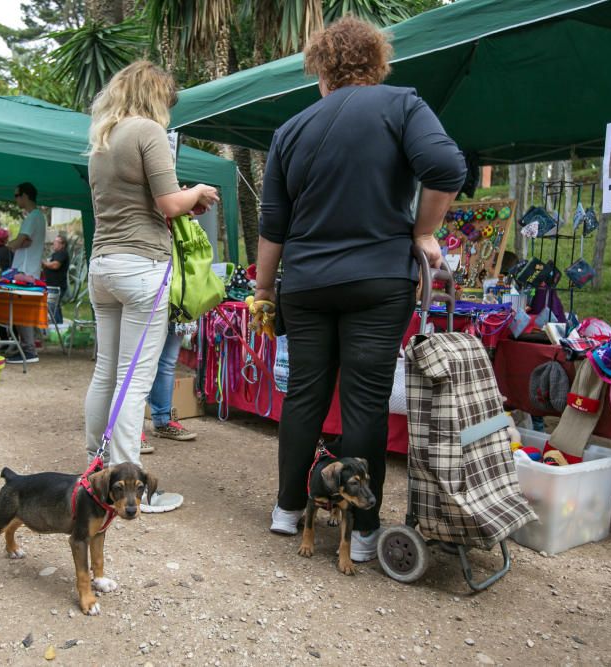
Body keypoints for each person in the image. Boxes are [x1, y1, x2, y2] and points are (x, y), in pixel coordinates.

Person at [254, 17, 466, 562]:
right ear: (376, 63)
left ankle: (285, 510)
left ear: (321, 70)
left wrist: (264, 291)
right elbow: (445, 165)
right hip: (378, 278)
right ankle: (365, 531)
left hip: (305, 282)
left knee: (304, 395)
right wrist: (423, 230)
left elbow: (273, 225)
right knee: (364, 403)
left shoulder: (290, 130)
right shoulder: (401, 104)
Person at [84, 60, 219, 513]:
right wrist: (196, 192)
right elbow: (166, 201)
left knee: (107, 371)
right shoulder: (147, 132)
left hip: (102, 265)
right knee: (132, 380)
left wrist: (180, 203)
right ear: (154, 95)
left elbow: (143, 203)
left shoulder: (103, 138)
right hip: (141, 267)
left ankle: (95, 468)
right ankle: (128, 485)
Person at [6, 182, 46, 364]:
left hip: (25, 271)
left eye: (16, 195)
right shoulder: (38, 217)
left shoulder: (33, 217)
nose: (15, 199)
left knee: (22, 311)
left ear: (25, 196)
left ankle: (29, 350)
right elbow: (25, 242)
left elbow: (22, 240)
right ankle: (25, 347)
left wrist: (11, 244)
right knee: (23, 310)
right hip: (29, 270)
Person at [144, 329, 198, 449]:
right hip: (145, 311)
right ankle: (130, 431)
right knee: (141, 362)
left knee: (168, 363)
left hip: (176, 313)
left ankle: (163, 421)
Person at [42, 234, 70, 325]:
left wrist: (44, 263)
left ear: (63, 244)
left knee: (53, 306)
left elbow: (55, 265)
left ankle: (57, 326)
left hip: (57, 286)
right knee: (54, 306)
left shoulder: (62, 253)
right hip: (52, 285)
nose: (54, 243)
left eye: (56, 242)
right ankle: (59, 326)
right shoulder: (56, 254)